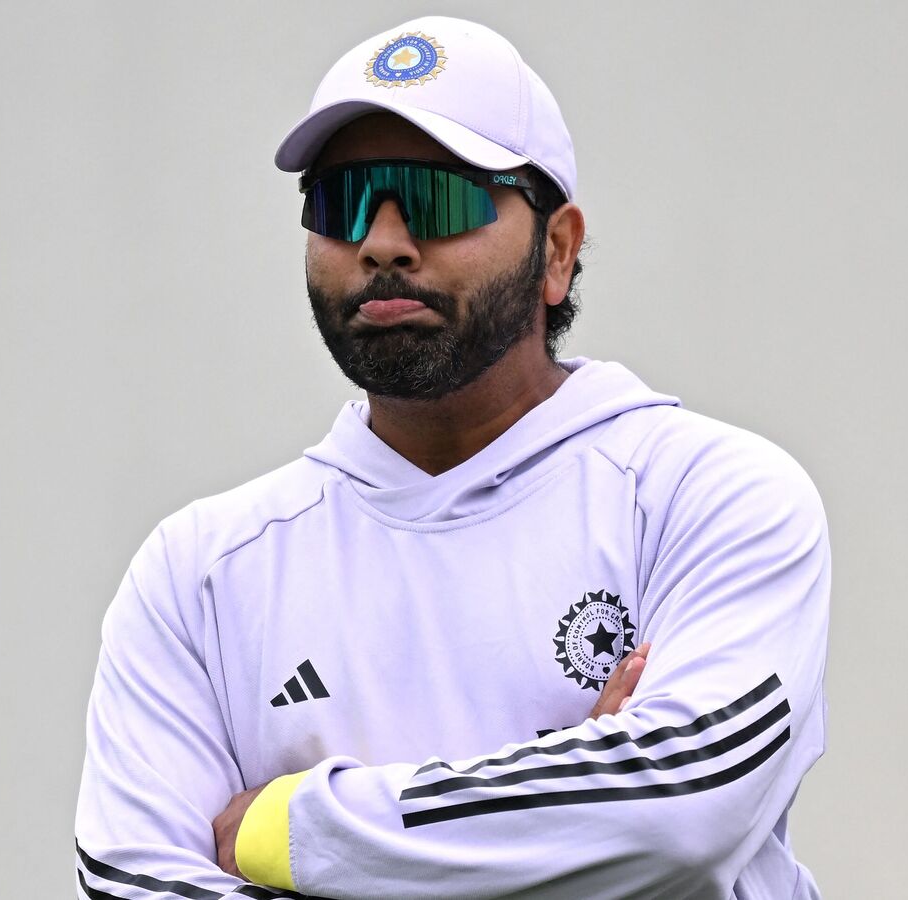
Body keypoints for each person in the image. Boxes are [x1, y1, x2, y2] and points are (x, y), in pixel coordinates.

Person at [74, 15, 829, 900]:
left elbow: (677, 806)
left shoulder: (709, 495)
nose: (382, 241)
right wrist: (566, 811)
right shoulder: (198, 572)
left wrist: (281, 829)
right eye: (341, 200)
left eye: (438, 197)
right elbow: (136, 886)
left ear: (558, 250)